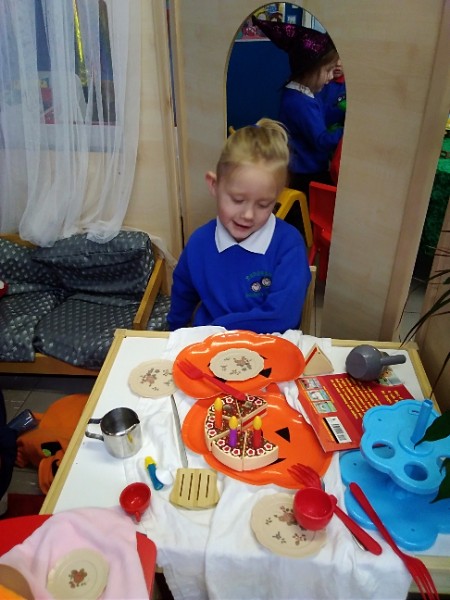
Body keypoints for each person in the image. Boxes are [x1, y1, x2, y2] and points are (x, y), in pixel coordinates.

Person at [167, 118, 311, 334]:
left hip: (266, 345)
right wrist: (174, 334)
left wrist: (217, 329)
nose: (248, 215)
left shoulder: (289, 244)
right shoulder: (199, 242)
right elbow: (182, 295)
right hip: (210, 344)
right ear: (214, 185)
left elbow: (283, 316)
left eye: (264, 204)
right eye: (237, 200)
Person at [252, 16, 343, 196]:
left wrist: (341, 111)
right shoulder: (299, 102)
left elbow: (321, 115)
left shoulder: (304, 93)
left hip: (308, 167)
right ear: (309, 71)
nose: (331, 76)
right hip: (305, 172)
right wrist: (347, 132)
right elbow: (321, 141)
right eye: (328, 71)